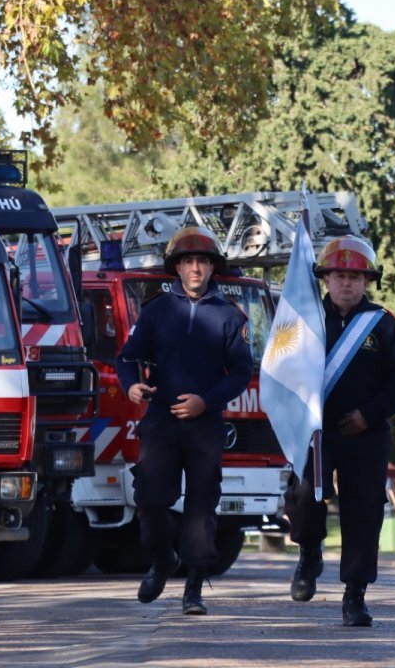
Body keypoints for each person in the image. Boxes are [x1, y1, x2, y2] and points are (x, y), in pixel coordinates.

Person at [116, 226, 253, 616]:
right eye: (188, 261)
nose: (195, 268)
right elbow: (127, 358)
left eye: (202, 262)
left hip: (205, 426)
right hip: (160, 422)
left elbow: (241, 373)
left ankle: (193, 588)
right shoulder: (157, 310)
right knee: (150, 501)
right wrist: (132, 388)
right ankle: (162, 560)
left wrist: (205, 402)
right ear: (176, 267)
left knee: (200, 507)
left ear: (212, 268)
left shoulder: (230, 316)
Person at [285, 235, 395, 627]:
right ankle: (309, 551)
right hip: (314, 431)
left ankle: (355, 594)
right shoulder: (302, 320)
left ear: (367, 281)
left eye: (356, 277)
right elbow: (282, 369)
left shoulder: (385, 326)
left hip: (366, 431)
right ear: (325, 278)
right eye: (340, 275)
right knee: (305, 497)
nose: (347, 283)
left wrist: (371, 414)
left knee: (363, 513)